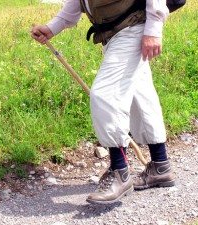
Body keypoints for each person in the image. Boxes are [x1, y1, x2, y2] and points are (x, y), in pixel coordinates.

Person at [31, 0, 176, 204]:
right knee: (139, 94)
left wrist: (153, 29)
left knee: (105, 95)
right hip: (117, 34)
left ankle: (120, 172)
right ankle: (160, 167)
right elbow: (78, 3)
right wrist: (51, 28)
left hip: (133, 28)